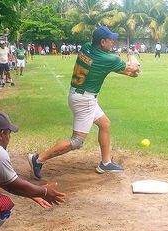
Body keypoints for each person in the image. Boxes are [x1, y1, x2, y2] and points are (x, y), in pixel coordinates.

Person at [28, 25, 140, 180]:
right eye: (110, 40)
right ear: (102, 42)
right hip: (85, 100)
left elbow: (113, 68)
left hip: (80, 96)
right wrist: (133, 59)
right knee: (77, 141)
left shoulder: (87, 47)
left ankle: (106, 163)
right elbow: (133, 68)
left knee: (104, 124)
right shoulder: (108, 59)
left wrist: (129, 71)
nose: (113, 43)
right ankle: (38, 159)